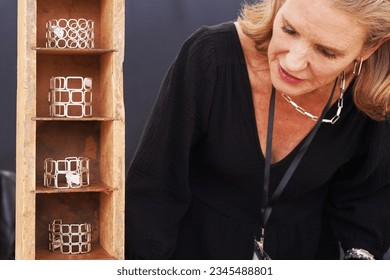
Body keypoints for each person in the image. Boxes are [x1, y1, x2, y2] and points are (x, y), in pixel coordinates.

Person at [125, 0, 390, 260]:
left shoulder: (373, 96)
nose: (293, 63)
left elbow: (368, 200)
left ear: (369, 48)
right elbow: (155, 190)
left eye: (326, 52)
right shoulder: (211, 56)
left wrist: (360, 260)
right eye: (289, 29)